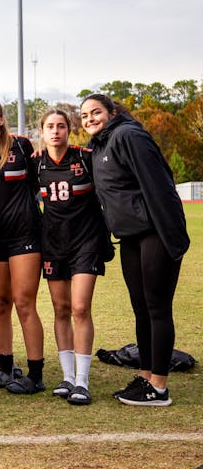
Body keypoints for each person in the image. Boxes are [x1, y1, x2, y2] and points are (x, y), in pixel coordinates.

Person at [82, 93, 189, 407]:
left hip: (155, 233)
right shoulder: (98, 144)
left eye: (96, 112)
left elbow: (160, 185)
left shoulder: (128, 134)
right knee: (141, 308)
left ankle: (160, 387)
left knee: (157, 308)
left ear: (112, 111)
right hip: (130, 237)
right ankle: (146, 375)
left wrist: (173, 237)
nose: (89, 119)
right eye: (85, 115)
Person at [36, 109, 111, 406]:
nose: (55, 131)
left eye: (61, 126)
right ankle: (67, 377)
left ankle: (82, 381)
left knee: (80, 308)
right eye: (50, 127)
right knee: (60, 308)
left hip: (86, 242)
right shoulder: (36, 163)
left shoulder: (85, 157)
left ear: (69, 130)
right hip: (53, 244)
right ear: (42, 132)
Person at [0, 98, 45, 394]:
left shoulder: (22, 146)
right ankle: (5, 367)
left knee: (25, 303)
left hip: (24, 235)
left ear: (2, 119)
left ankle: (35, 374)